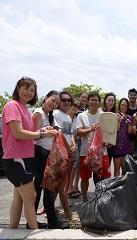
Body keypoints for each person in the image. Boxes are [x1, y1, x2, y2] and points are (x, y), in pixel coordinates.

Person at [2, 77, 57, 229]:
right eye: (26, 88)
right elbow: (18, 133)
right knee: (31, 197)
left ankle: (13, 230)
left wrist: (41, 131)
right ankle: (33, 231)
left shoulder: (25, 108)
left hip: (24, 157)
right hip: (16, 158)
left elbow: (28, 133)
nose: (29, 92)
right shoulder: (12, 105)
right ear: (18, 88)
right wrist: (42, 135)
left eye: (32, 90)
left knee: (19, 198)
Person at [32, 90, 70, 229]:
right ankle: (46, 221)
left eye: (56, 103)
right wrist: (46, 133)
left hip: (48, 153)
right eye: (52, 100)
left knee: (46, 187)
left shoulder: (49, 115)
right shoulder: (38, 113)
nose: (54, 104)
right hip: (39, 153)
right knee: (42, 187)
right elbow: (33, 136)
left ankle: (42, 221)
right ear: (46, 98)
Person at [77, 92, 110, 202]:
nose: (94, 102)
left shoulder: (103, 115)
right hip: (85, 152)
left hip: (101, 153)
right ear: (88, 101)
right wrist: (90, 129)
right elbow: (79, 132)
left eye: (96, 100)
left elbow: (109, 132)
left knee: (101, 178)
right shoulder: (82, 116)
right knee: (85, 178)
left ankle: (100, 200)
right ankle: (85, 200)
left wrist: (108, 142)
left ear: (99, 102)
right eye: (91, 99)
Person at [53, 91, 75, 221]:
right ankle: (67, 214)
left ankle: (63, 211)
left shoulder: (67, 116)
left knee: (62, 183)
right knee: (60, 184)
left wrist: (73, 144)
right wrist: (68, 147)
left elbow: (70, 133)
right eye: (64, 100)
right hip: (60, 153)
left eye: (68, 100)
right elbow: (59, 133)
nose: (66, 102)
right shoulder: (56, 113)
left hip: (67, 153)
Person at [112, 98, 133, 176]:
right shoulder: (115, 115)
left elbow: (129, 132)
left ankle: (124, 187)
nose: (124, 107)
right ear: (119, 106)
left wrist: (130, 125)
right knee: (116, 169)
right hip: (116, 146)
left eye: (125, 105)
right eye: (122, 105)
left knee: (125, 170)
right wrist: (118, 121)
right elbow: (114, 130)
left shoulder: (129, 117)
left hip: (126, 147)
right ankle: (116, 186)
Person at [67, 99, 81, 198]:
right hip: (68, 146)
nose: (75, 107)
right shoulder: (65, 117)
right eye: (73, 105)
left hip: (77, 145)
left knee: (76, 167)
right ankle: (69, 188)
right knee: (69, 168)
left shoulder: (76, 117)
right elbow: (67, 133)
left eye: (77, 106)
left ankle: (73, 187)